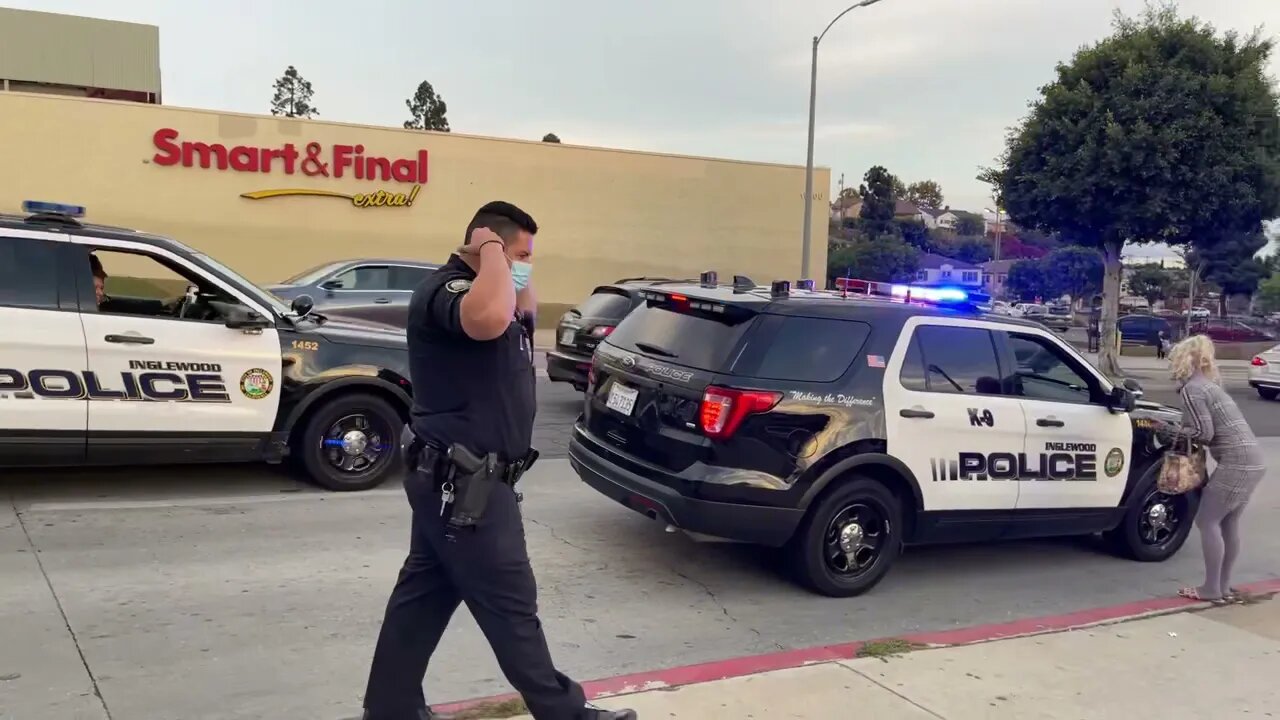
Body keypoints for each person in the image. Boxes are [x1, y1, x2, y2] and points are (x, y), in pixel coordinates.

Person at [362, 201, 637, 720]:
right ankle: (567, 715)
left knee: (422, 595)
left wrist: (515, 269)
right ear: (484, 245)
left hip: (460, 479)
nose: (525, 265)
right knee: (512, 603)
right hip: (464, 484)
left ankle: (390, 709)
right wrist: (490, 248)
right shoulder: (447, 291)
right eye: (521, 253)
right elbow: (487, 318)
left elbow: (523, 315)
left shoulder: (499, 291)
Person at [1163, 335, 1265, 604]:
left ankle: (1211, 589)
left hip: (1237, 462)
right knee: (1227, 522)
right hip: (1252, 460)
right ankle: (1222, 587)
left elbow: (1202, 432)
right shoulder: (1208, 386)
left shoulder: (1193, 389)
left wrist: (1168, 429)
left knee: (1207, 520)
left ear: (1182, 359)